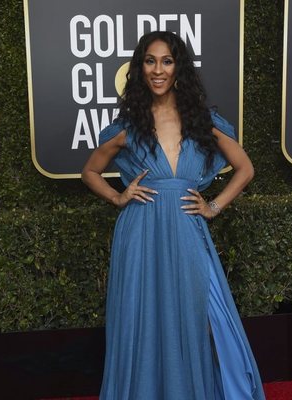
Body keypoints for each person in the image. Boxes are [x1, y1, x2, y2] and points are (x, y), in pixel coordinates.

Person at [82, 30, 265, 400]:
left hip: (186, 228)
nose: (158, 69)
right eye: (150, 61)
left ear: (178, 67)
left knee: (205, 316)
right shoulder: (126, 128)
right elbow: (89, 171)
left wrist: (213, 206)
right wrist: (119, 198)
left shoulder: (202, 122)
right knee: (142, 319)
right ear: (140, 69)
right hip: (140, 231)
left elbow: (245, 168)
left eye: (166, 60)